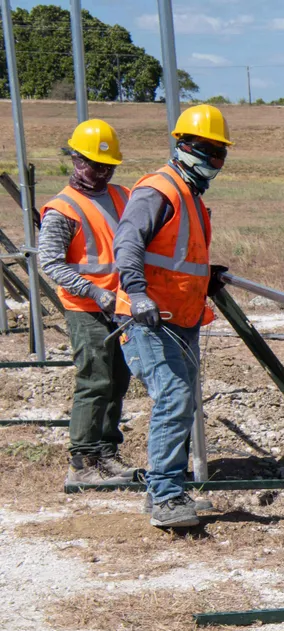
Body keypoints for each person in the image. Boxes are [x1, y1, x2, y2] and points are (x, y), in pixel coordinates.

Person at [114, 104, 231, 529]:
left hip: (181, 318)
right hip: (148, 318)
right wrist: (137, 292)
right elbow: (126, 246)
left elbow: (181, 260)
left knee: (181, 400)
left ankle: (164, 491)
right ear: (181, 145)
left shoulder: (191, 197)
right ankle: (165, 495)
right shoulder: (158, 190)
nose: (212, 160)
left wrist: (208, 277)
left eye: (219, 152)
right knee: (175, 398)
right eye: (205, 149)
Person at [39, 119, 137, 488]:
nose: (101, 172)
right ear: (75, 160)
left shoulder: (123, 196)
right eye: (94, 164)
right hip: (87, 309)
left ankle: (107, 453)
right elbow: (51, 263)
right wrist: (94, 291)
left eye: (107, 166)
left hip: (121, 306)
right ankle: (82, 462)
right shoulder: (62, 209)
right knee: (95, 381)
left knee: (118, 381)